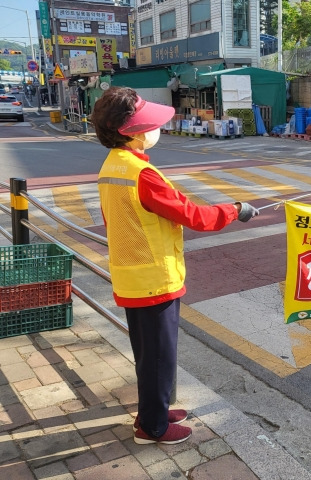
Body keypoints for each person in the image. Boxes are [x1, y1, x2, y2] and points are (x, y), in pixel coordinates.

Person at [92, 87, 259, 445]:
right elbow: (194, 216)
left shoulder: (113, 166)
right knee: (158, 358)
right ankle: (152, 428)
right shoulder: (141, 174)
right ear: (131, 130)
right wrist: (235, 210)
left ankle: (155, 409)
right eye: (149, 125)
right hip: (153, 279)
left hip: (132, 275)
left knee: (150, 354)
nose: (156, 130)